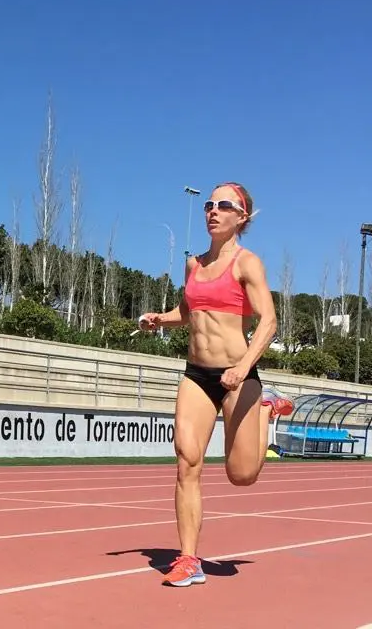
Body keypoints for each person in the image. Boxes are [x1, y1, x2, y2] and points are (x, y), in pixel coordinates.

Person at [139, 182, 280, 588]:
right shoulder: (193, 265)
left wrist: (243, 367)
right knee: (187, 461)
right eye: (208, 205)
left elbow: (269, 322)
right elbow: (188, 310)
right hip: (197, 375)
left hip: (238, 376)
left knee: (242, 475)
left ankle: (267, 409)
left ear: (242, 216)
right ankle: (188, 559)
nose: (212, 211)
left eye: (223, 205)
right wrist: (159, 319)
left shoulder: (247, 263)